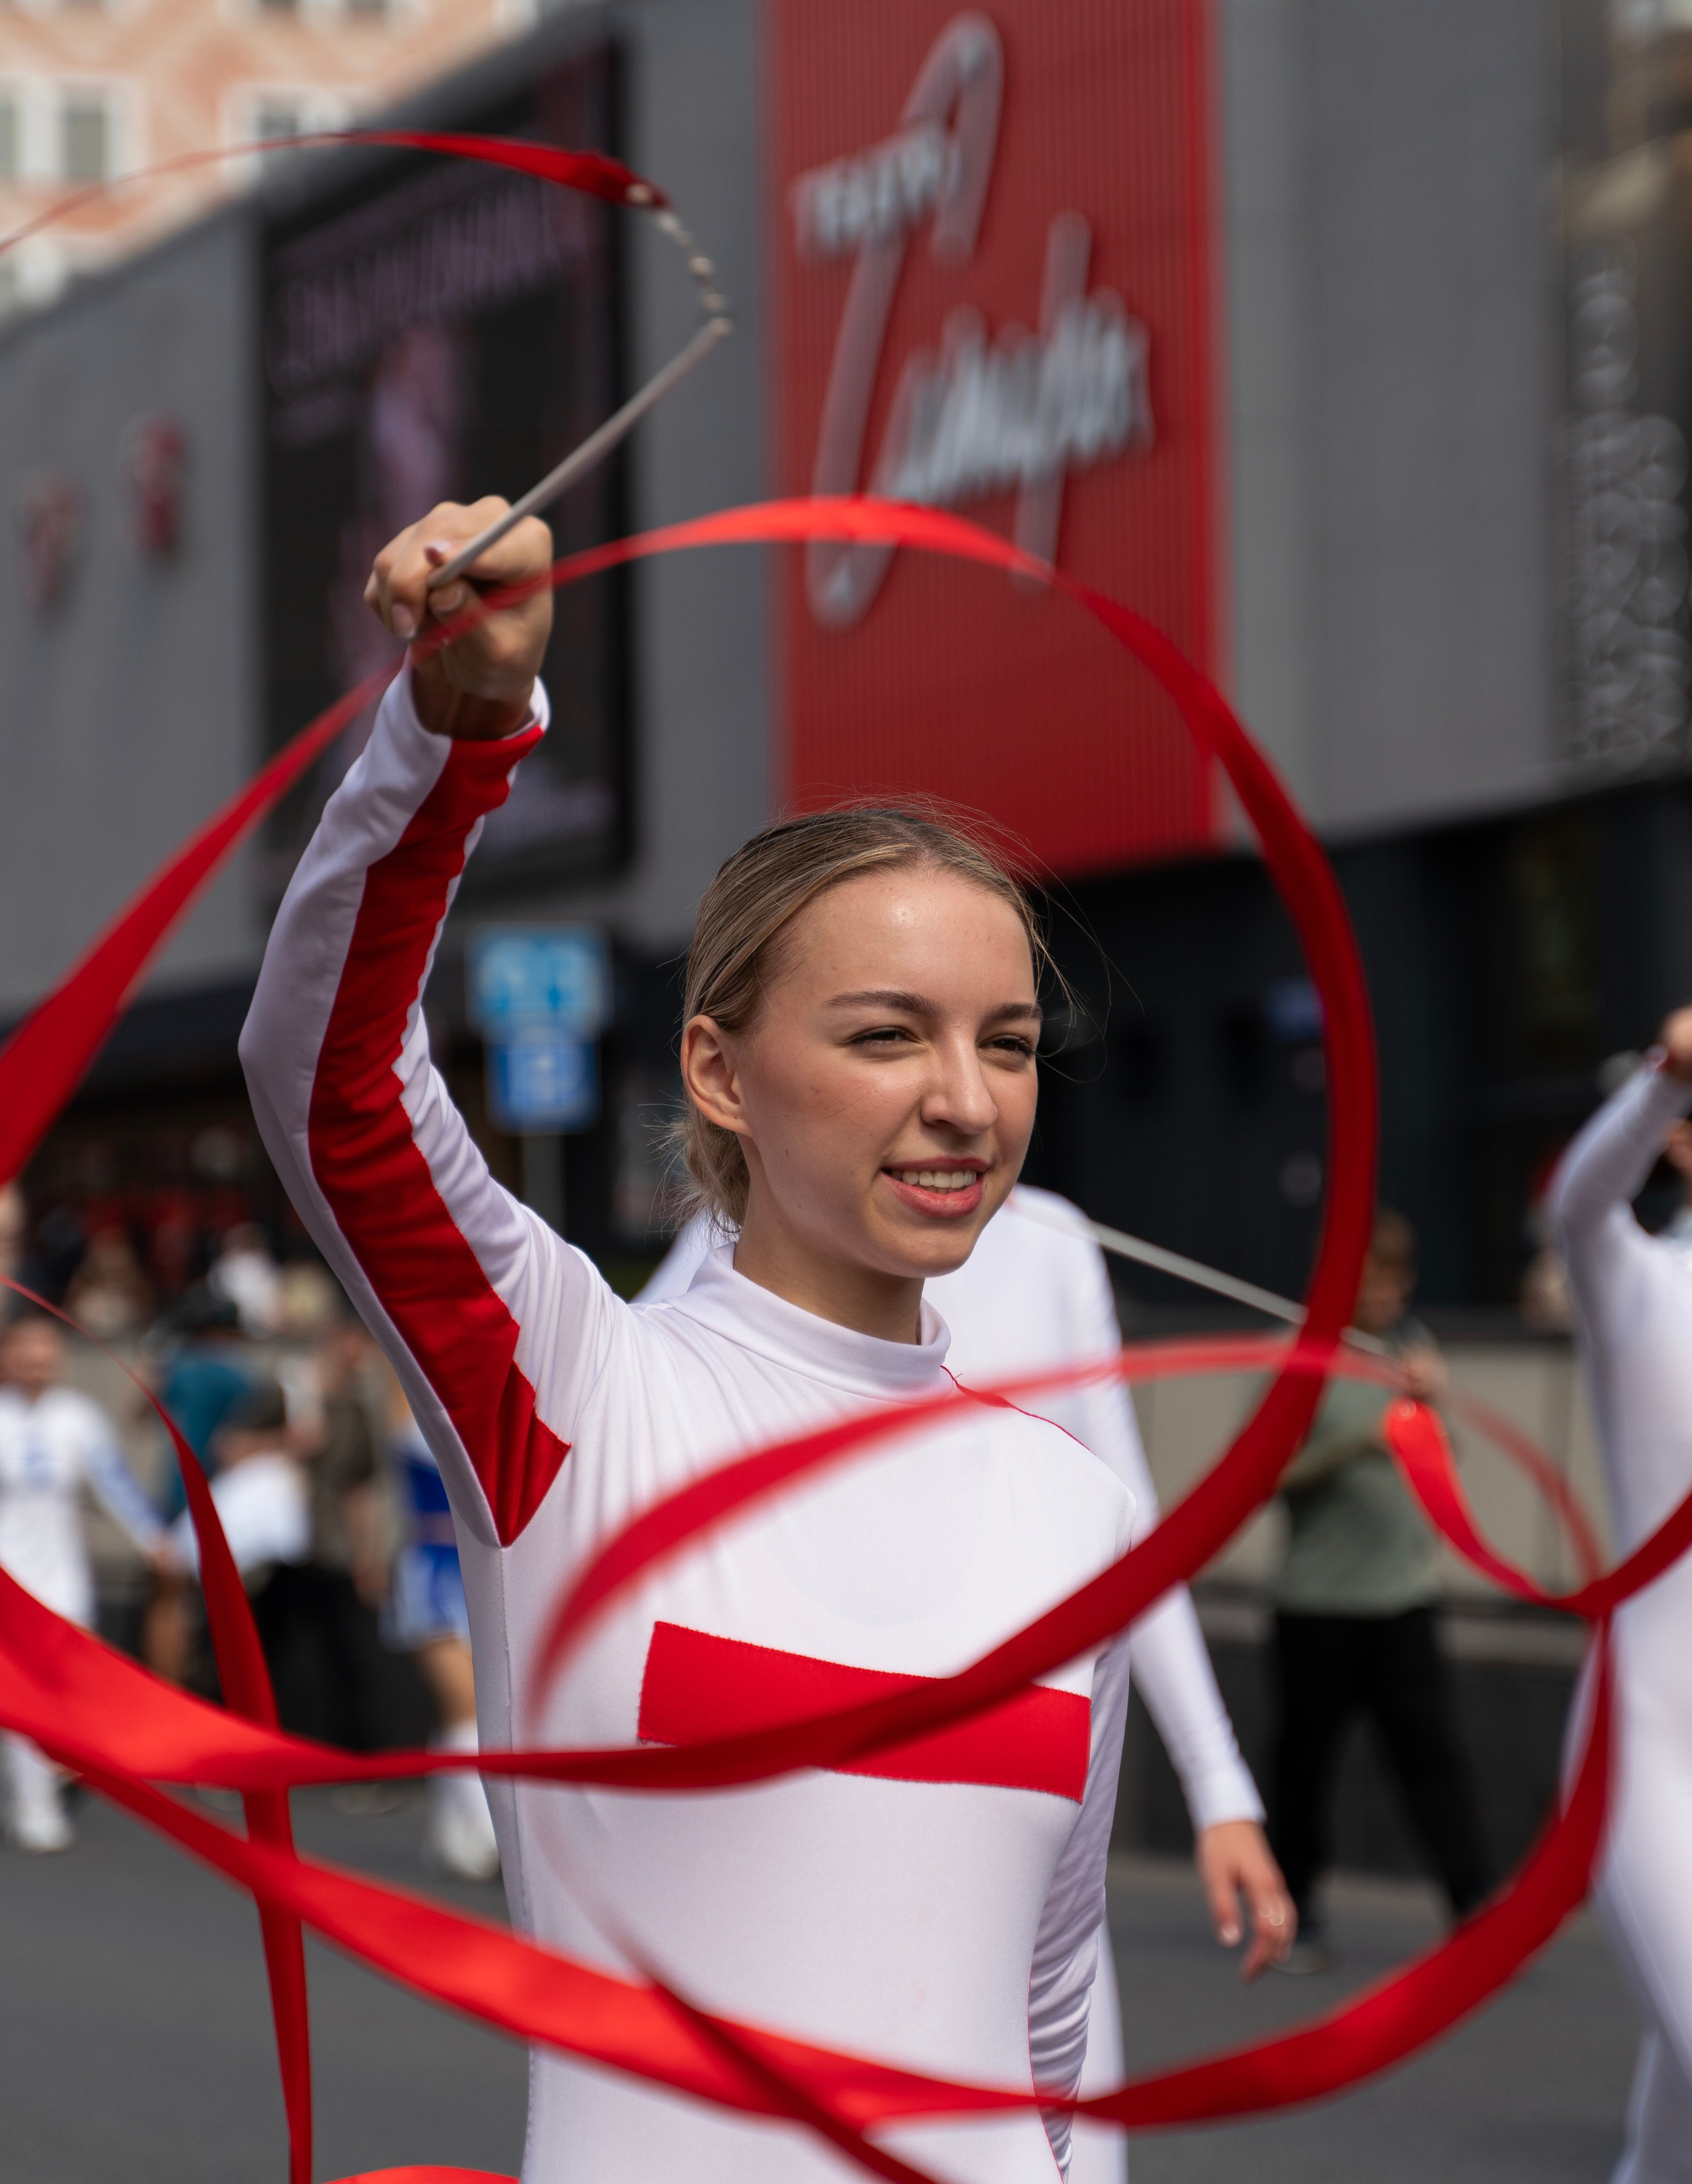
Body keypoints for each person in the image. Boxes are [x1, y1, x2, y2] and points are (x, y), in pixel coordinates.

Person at [241, 495, 1141, 2182]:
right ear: (717, 1070)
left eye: (1007, 1043)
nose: (964, 1101)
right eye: (886, 1036)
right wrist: (456, 732)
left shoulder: (1074, 1509)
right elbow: (330, 1084)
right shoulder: (575, 1392)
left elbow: (1043, 2029)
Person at [642, 1187, 1293, 2181]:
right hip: (794, 1842)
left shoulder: (1054, 1242)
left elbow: (1128, 1531)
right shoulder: (726, 1238)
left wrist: (1220, 1786)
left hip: (1018, 1831)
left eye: (1006, 1066)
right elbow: (600, 1428)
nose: (961, 1110)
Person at [1266, 1208, 1492, 1971]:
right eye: (1373, 1282)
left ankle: (1472, 1904)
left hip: (1403, 1599)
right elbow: (1265, 1475)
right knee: (1304, 1765)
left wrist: (1436, 1402)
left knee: (1433, 1757)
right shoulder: (1302, 1356)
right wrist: (1352, 1446)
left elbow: (1444, 1461)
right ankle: (1294, 1909)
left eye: (1398, 1281)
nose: (1388, 1297)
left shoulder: (1411, 1351)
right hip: (1318, 1605)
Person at [1549, 1012, 1692, 2184]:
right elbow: (1578, 1203)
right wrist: (1663, 1081)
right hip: (1651, 1755)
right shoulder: (1639, 1279)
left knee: (1670, 2133)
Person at [0, 1312, 167, 1850]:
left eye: (45, 1346)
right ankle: (34, 1803)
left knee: (57, 1694)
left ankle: (39, 1791)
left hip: (63, 1579)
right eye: (25, 1346)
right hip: (8, 1579)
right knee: (21, 1694)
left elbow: (114, 1481)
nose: (36, 1358)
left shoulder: (77, 1417)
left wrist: (153, 1538)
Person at [384, 1382, 500, 1882]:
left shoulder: (492, 1410)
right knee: (464, 1706)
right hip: (433, 1571)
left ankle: (454, 1833)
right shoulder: (408, 1405)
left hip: (484, 1573)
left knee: (478, 1708)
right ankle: (489, 1833)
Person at [154, 1378, 313, 1704]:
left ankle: (170, 1694)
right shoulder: (251, 1480)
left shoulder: (268, 1480)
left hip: (254, 1592)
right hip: (233, 1586)